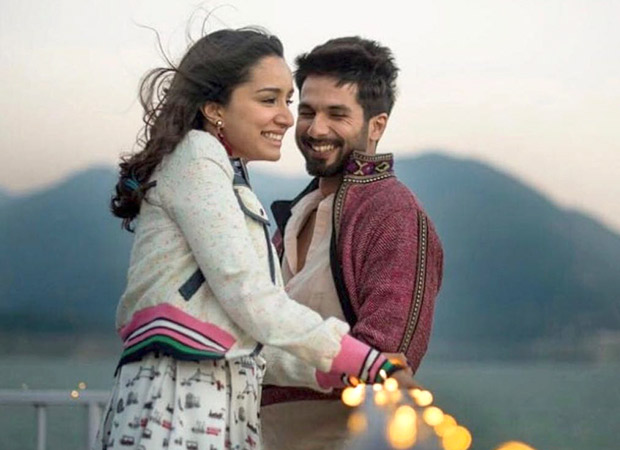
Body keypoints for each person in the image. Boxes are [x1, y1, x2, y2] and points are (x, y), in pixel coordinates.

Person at [93, 28, 413, 450]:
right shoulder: (197, 158)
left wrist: (331, 370)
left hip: (216, 403)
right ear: (215, 108)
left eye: (287, 101)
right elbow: (251, 296)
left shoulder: (228, 178)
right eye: (268, 100)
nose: (287, 118)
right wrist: (368, 362)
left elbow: (246, 332)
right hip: (178, 406)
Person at [260, 37, 444, 450]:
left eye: (337, 114)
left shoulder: (395, 216)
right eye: (307, 112)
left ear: (376, 125)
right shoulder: (297, 212)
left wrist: (248, 354)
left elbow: (386, 357)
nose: (316, 129)